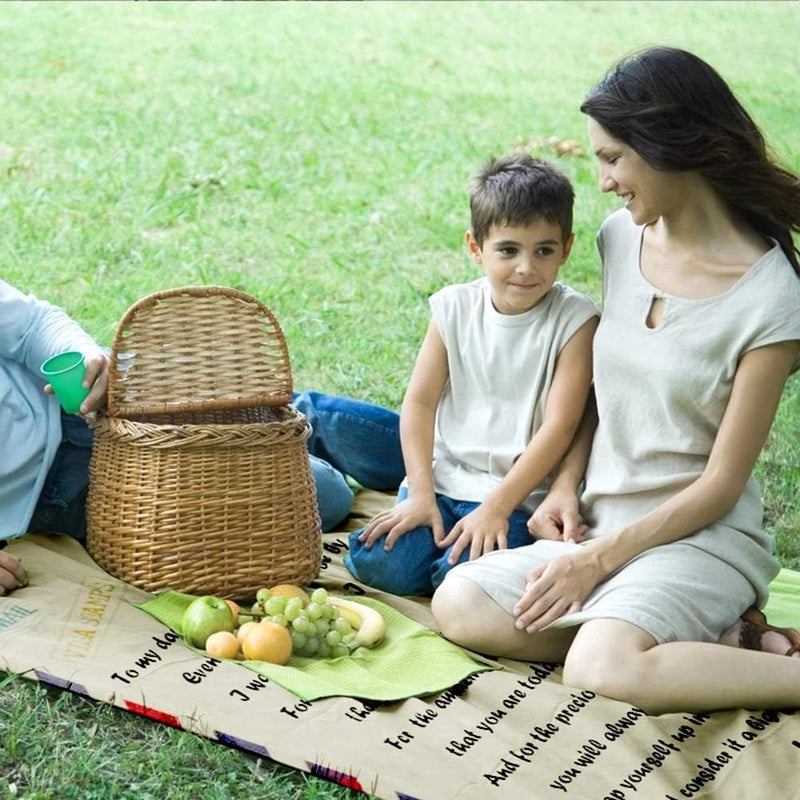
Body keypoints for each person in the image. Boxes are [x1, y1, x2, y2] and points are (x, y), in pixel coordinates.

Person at [431, 46, 800, 714]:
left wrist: (597, 564)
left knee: (599, 666)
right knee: (459, 602)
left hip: (699, 537)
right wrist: (566, 486)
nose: (602, 181)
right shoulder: (617, 240)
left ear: (669, 147)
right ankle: (715, 644)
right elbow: (606, 390)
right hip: (600, 524)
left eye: (613, 158)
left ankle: (684, 639)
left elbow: (721, 483)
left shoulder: (772, 300)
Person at [0, 280, 404, 596]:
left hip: (85, 397)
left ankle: (450, 458)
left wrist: (85, 357)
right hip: (54, 498)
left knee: (273, 409)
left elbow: (32, 325)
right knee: (328, 494)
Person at [345, 154, 600, 596]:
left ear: (567, 248)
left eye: (544, 250)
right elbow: (420, 404)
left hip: (516, 496)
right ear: (475, 247)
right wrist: (421, 493)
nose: (526, 267)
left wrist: (497, 507)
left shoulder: (575, 319)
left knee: (462, 580)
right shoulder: (453, 308)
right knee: (380, 564)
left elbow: (561, 426)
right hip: (444, 479)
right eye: (508, 250)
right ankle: (429, 541)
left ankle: (450, 563)